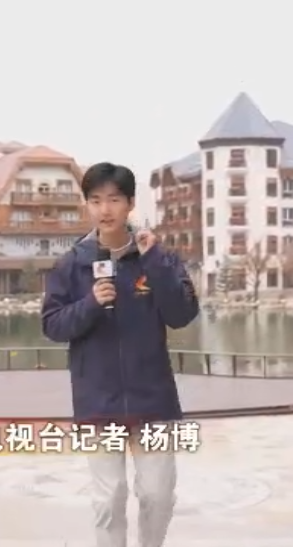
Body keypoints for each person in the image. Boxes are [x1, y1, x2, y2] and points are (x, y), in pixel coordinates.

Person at [41, 162, 200, 547]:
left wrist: (155, 263)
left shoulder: (158, 257)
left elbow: (181, 314)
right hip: (97, 403)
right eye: (95, 200)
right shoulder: (72, 264)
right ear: (87, 205)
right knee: (108, 499)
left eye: (114, 199)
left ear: (130, 203)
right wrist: (90, 304)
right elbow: (52, 325)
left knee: (158, 495)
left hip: (154, 401)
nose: (105, 209)